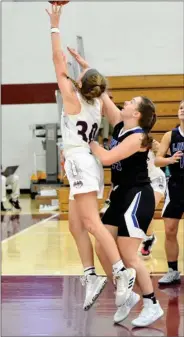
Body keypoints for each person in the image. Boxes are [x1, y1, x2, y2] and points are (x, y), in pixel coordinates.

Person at [46, 3, 136, 311]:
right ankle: (90, 275)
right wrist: (86, 65)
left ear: (80, 84)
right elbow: (95, 81)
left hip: (81, 162)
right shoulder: (97, 101)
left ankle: (121, 272)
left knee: (92, 223)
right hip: (82, 163)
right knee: (75, 225)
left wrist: (55, 25)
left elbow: (58, 61)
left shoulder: (72, 98)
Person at [90, 94, 164, 326]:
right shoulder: (121, 125)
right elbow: (103, 93)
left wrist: (86, 141)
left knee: (129, 254)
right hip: (120, 194)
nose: (127, 102)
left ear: (137, 114)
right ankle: (127, 295)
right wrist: (86, 69)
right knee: (102, 245)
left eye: (132, 102)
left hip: (138, 195)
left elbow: (108, 158)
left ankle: (152, 304)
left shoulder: (138, 137)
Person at [155, 100, 184, 285]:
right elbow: (157, 160)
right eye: (181, 107)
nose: (182, 110)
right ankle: (173, 270)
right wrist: (170, 160)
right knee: (170, 230)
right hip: (175, 187)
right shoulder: (169, 136)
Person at [140, 143, 167, 257]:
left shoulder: (149, 141)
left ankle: (148, 239)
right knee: (142, 213)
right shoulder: (127, 144)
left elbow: (162, 153)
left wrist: (158, 148)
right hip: (141, 181)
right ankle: (149, 237)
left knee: (148, 208)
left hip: (157, 179)